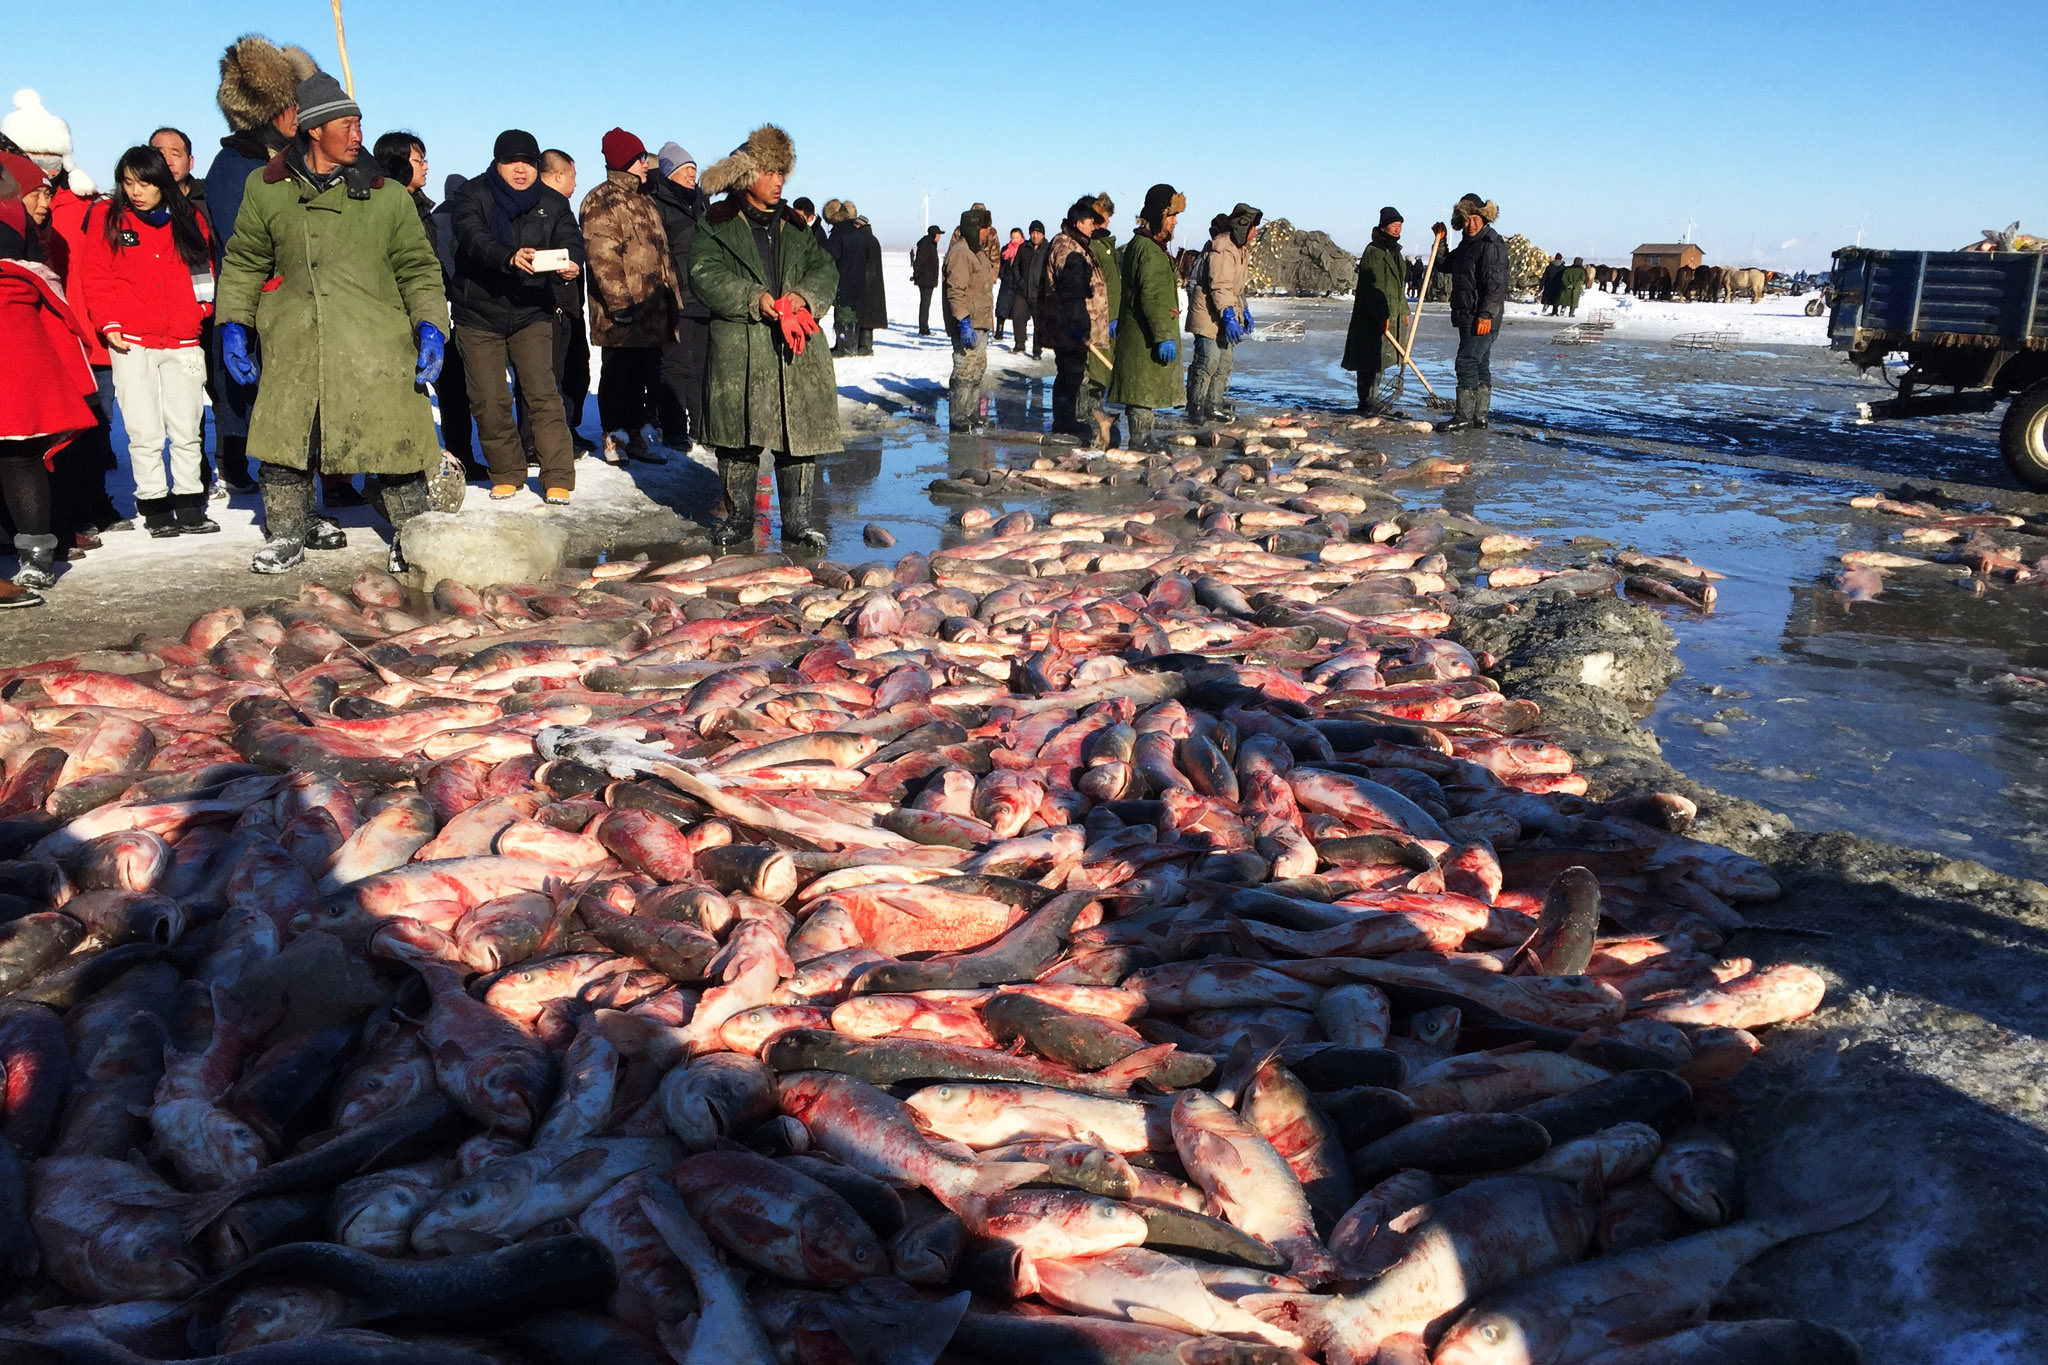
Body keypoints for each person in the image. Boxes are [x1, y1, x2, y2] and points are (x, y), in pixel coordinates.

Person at [214, 70, 449, 575]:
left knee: (395, 446)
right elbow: (246, 260)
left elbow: (418, 266)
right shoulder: (266, 188)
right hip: (295, 335)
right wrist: (234, 320)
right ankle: (287, 533)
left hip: (375, 339)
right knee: (287, 443)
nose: (359, 134)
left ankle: (413, 536)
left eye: (360, 123)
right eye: (347, 123)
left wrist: (431, 324)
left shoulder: (387, 195)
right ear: (314, 129)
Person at [690, 123, 839, 552]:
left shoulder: (795, 226)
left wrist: (802, 298)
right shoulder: (714, 226)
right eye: (769, 172)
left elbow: (825, 270)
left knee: (799, 438)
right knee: (738, 439)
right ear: (745, 175)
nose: (778, 182)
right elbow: (705, 275)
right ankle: (738, 520)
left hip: (796, 346)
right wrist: (758, 300)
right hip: (742, 346)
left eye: (782, 173)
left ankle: (797, 523)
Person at [76, 144, 217, 537]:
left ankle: (190, 501)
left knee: (187, 425)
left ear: (162, 183)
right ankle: (154, 503)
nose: (136, 191)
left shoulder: (188, 219)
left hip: (183, 338)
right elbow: (96, 277)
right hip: (131, 341)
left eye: (144, 183)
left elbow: (203, 272)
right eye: (128, 182)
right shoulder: (109, 219)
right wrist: (109, 322)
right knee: (143, 428)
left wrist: (199, 314)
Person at [203, 35, 316, 498]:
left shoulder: (296, 162)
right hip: (260, 299)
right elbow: (242, 242)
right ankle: (273, 495)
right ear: (273, 113)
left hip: (297, 303)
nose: (301, 117)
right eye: (293, 108)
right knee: (257, 403)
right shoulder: (235, 165)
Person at [449, 129, 584, 505]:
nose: (520, 170)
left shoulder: (552, 201)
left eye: (527, 162)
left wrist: (572, 261)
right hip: (478, 311)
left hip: (531, 310)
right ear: (497, 163)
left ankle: (557, 474)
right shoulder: (473, 194)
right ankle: (507, 471)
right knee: (489, 398)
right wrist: (508, 257)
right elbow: (472, 237)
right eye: (512, 162)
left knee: (543, 394)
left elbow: (571, 238)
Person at [0, 150, 98, 604]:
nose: (44, 202)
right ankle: (34, 553)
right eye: (36, 192)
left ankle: (37, 554)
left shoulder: (28, 237)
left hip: (16, 334)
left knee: (20, 448)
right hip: (14, 328)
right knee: (18, 450)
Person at [375, 128, 480, 478]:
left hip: (430, 314)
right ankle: (396, 470)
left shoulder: (422, 206)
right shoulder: (381, 205)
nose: (426, 167)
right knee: (400, 395)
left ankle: (460, 458)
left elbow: (429, 262)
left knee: (453, 387)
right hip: (394, 319)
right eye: (419, 160)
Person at [581, 127, 674, 465]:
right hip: (621, 312)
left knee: (642, 375)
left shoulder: (644, 201)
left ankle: (635, 435)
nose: (645, 165)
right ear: (625, 162)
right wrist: (620, 304)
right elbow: (602, 256)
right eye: (639, 159)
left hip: (650, 310)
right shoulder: (600, 200)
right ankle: (612, 435)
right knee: (618, 375)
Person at [1107, 184, 1184, 452]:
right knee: (1142, 390)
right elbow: (1152, 297)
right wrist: (1163, 336)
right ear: (1158, 216)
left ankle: (1143, 438)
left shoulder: (1146, 245)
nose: (1175, 222)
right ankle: (1139, 441)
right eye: (1171, 216)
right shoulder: (1149, 250)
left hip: (1142, 333)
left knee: (1144, 389)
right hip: (1144, 336)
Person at [650, 141, 708, 453]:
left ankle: (701, 426)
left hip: (704, 296)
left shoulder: (701, 201)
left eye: (694, 169)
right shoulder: (658, 203)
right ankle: (674, 430)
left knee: (700, 366)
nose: (692, 174)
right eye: (685, 169)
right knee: (675, 365)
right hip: (675, 296)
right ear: (669, 172)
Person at [1043, 195, 1114, 448]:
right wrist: (1075, 325)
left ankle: (1068, 419)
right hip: (1069, 327)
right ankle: (1063, 422)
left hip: (1077, 325)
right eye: (1090, 222)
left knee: (1073, 374)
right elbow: (1070, 290)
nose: (1094, 227)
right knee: (1069, 374)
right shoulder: (1067, 247)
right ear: (1079, 222)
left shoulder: (1077, 244)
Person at [1435, 192, 1506, 433]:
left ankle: (1464, 416)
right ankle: (1479, 416)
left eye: (1476, 218)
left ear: (1484, 218)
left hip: (1481, 316)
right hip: (1467, 314)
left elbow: (1496, 285)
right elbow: (1445, 265)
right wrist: (1441, 241)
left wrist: (1486, 314)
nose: (1471, 224)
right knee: (1479, 364)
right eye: (1466, 219)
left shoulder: (1490, 244)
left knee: (1466, 362)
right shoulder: (1467, 244)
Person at [1185, 202, 1260, 425]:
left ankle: (1214, 404)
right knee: (1208, 361)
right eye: (1253, 228)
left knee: (1224, 363)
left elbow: (1236, 287)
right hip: (1208, 312)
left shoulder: (1240, 250)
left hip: (1226, 310)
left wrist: (1243, 310)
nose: (1255, 234)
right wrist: (1228, 314)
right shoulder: (1222, 248)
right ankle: (1196, 406)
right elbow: (1219, 286)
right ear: (1243, 227)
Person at [538, 150, 592, 453]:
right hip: (552, 303)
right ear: (559, 175)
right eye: (573, 176)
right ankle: (549, 439)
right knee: (553, 375)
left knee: (576, 369)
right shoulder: (537, 205)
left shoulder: (560, 208)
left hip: (569, 304)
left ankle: (568, 428)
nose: (575, 183)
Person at [1341, 206, 1409, 416]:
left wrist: (1404, 310)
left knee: (1380, 360)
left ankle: (1374, 398)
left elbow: (1398, 287)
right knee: (1369, 359)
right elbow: (1374, 286)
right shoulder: (1374, 252)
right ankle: (1367, 401)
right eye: (1393, 226)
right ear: (1383, 227)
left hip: (1391, 312)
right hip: (1372, 316)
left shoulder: (1395, 252)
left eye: (1399, 226)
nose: (1397, 230)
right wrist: (1381, 315)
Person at [943, 206, 996, 434]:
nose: (988, 233)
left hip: (981, 323)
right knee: (964, 371)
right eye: (985, 228)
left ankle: (972, 413)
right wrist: (963, 321)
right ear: (975, 229)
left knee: (977, 370)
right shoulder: (961, 253)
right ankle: (959, 417)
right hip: (968, 324)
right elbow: (956, 290)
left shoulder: (978, 252)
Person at [823, 198, 869, 357]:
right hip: (859, 281)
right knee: (853, 315)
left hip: (843, 280)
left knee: (842, 315)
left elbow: (829, 258)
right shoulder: (858, 234)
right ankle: (852, 345)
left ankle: (843, 346)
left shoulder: (838, 234)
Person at [149, 128, 205, 223]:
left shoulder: (209, 197)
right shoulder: (138, 201)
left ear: (190, 162)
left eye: (175, 154)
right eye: (160, 155)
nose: (167, 162)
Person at [1010, 220, 1048, 356]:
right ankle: (1019, 344)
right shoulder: (1023, 248)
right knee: (1018, 316)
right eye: (1032, 233)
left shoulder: (1048, 249)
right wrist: (1020, 281)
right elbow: (1015, 266)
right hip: (1023, 291)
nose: (1035, 236)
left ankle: (1037, 349)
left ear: (1042, 234)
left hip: (1039, 293)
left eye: (1038, 233)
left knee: (1039, 323)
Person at [994, 227, 1024, 342]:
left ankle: (1020, 335)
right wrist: (1002, 275)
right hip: (1006, 284)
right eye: (1013, 237)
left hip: (1018, 285)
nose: (1014, 240)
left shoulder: (1024, 249)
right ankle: (999, 331)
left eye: (1017, 237)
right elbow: (1000, 265)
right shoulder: (1005, 249)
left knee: (1018, 311)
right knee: (1002, 308)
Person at [912, 225, 941, 335]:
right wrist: (916, 275)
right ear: (934, 235)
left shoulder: (931, 244)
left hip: (928, 279)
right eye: (938, 235)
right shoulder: (926, 245)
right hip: (925, 280)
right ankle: (923, 328)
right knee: (925, 304)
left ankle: (924, 327)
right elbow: (919, 262)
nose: (939, 237)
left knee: (925, 304)